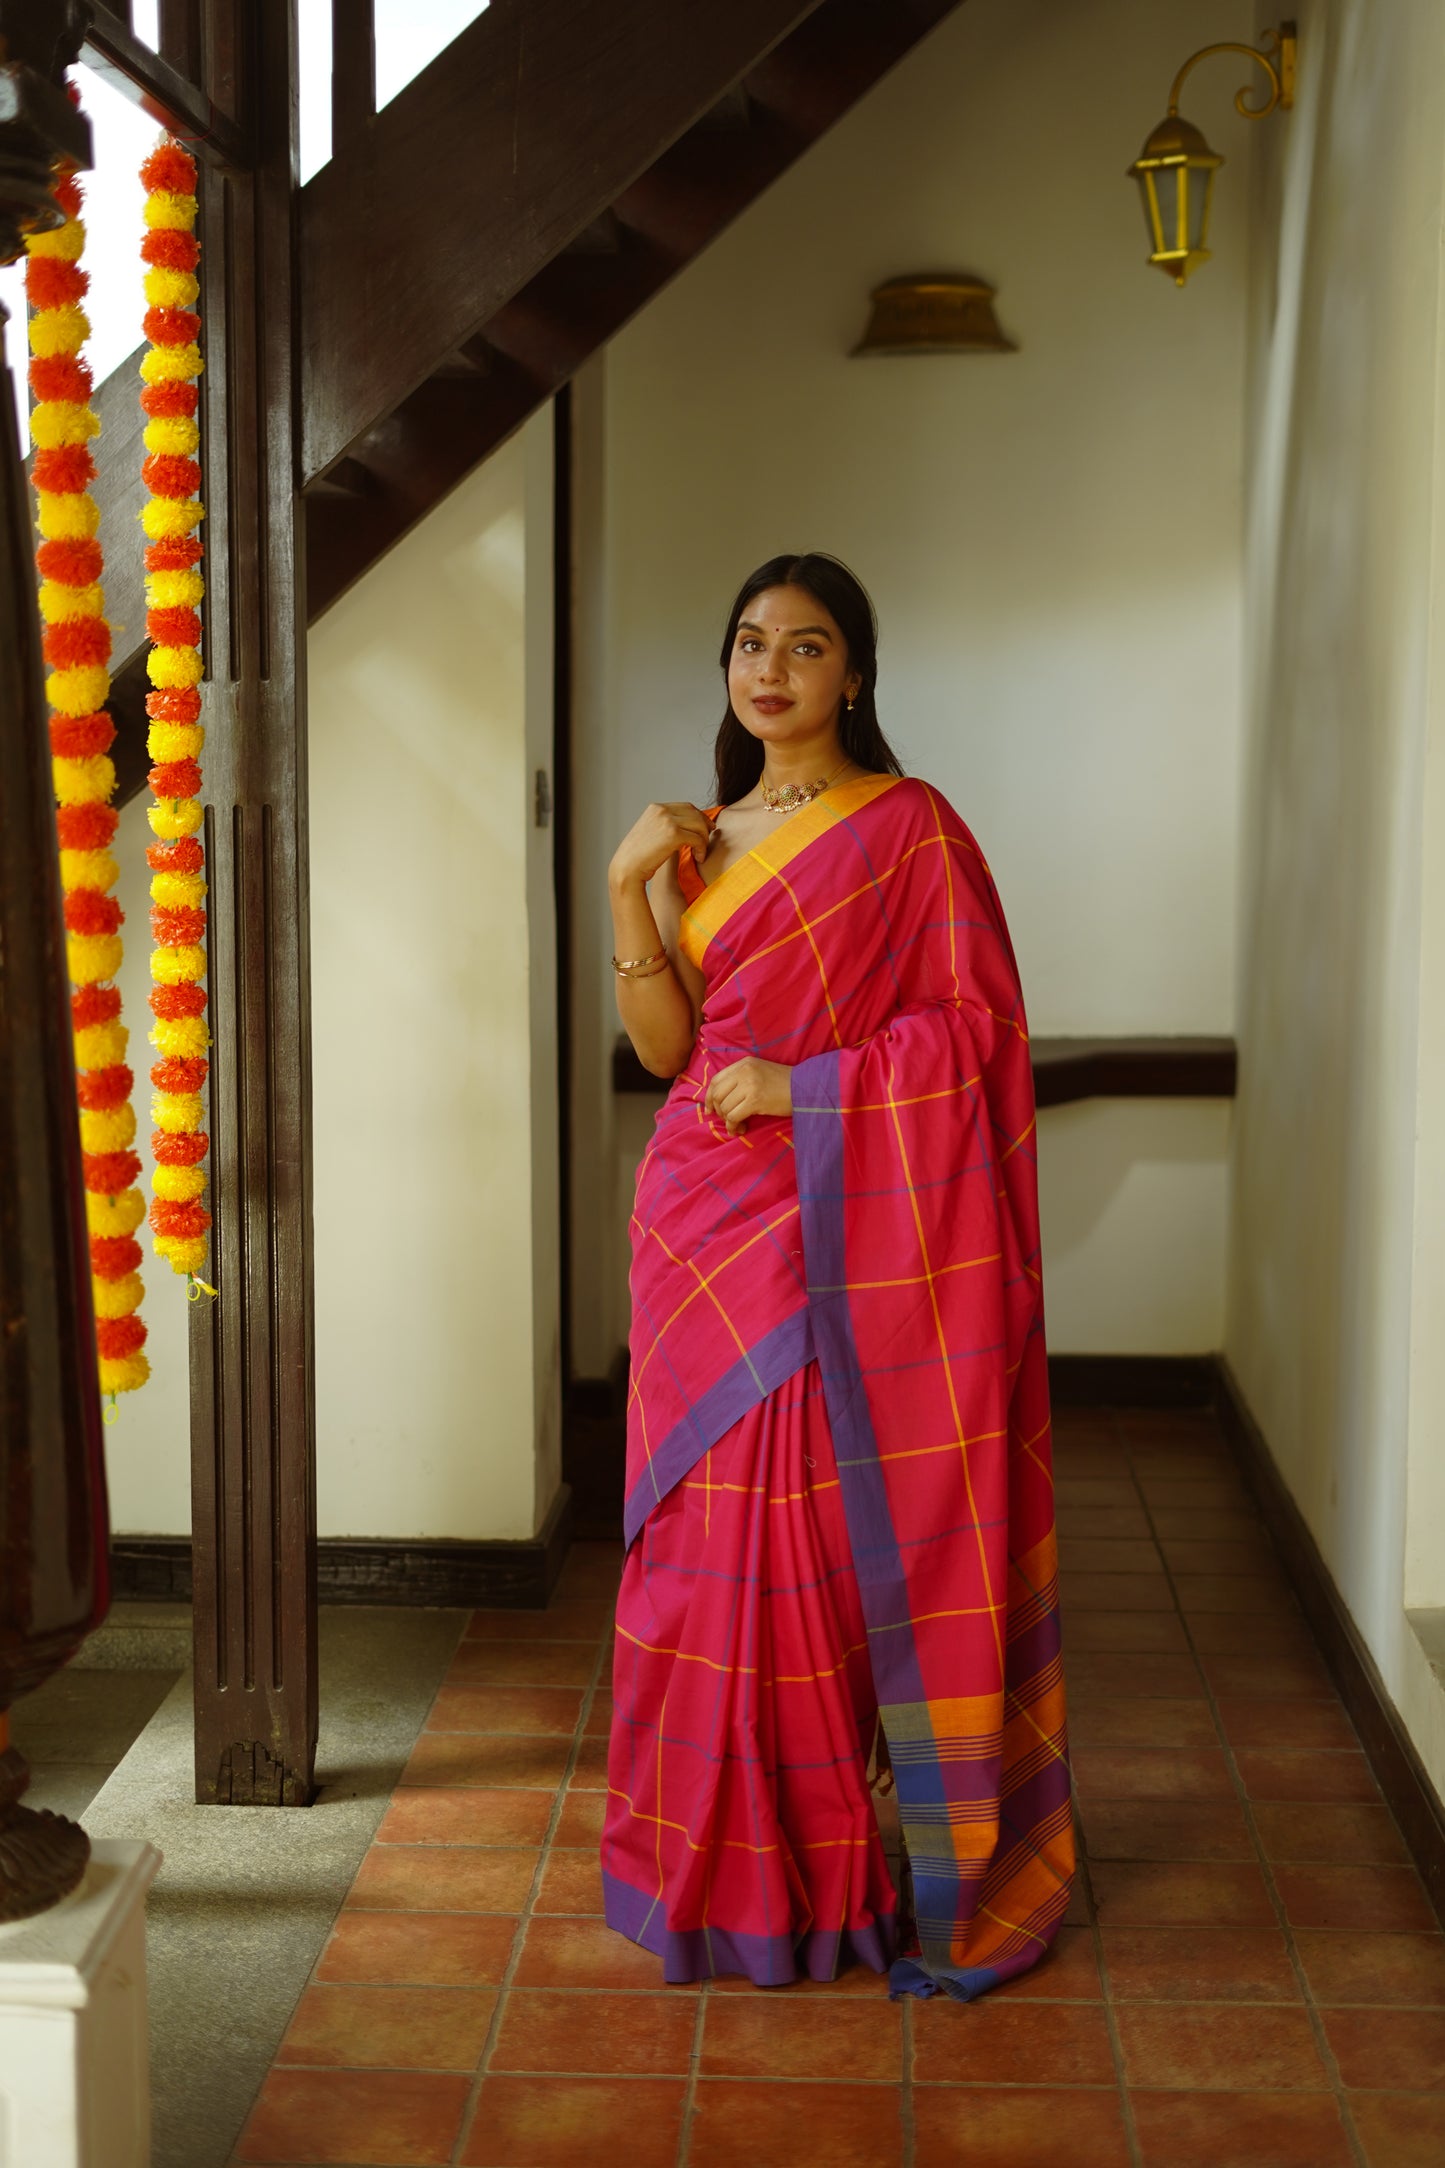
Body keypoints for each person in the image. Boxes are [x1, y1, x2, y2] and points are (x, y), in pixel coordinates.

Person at [601, 552, 1073, 2000]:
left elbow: (975, 1036)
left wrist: (807, 1087)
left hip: (826, 1218)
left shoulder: (911, 830)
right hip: (694, 1218)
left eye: (806, 649)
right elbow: (667, 1057)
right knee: (695, 1553)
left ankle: (816, 1873)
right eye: (750, 643)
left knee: (793, 1541)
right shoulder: (698, 838)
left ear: (852, 675)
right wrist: (628, 886)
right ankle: (700, 1866)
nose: (771, 671)